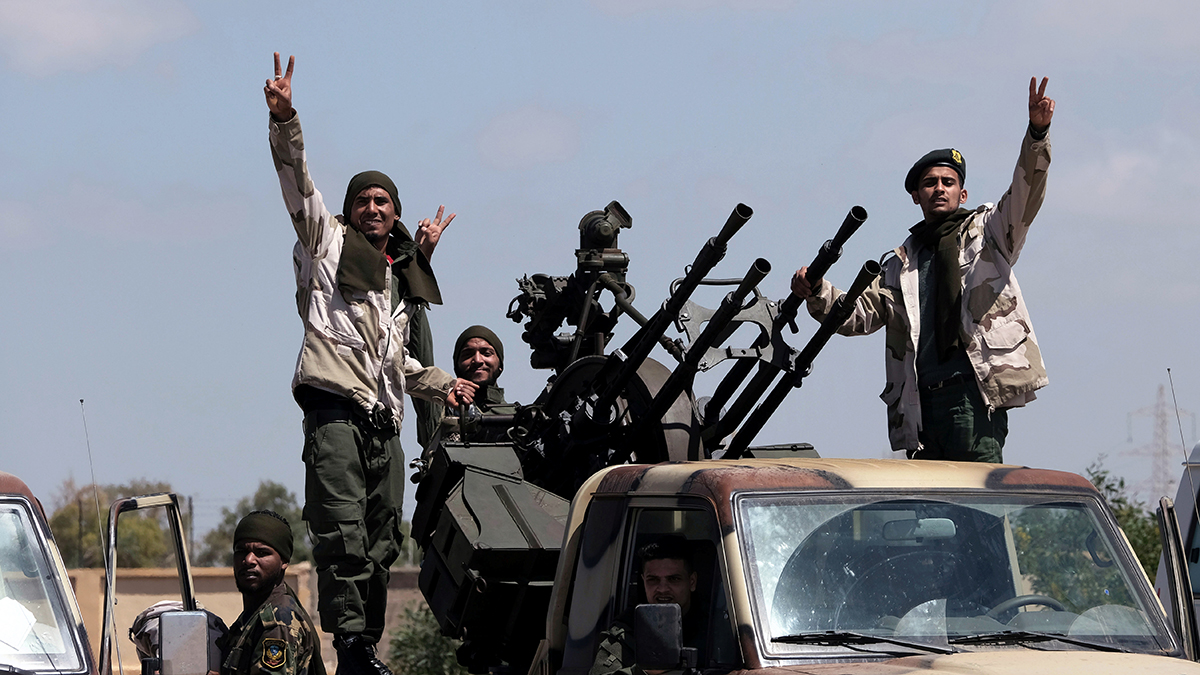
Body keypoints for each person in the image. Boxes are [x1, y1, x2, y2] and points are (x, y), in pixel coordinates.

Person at [263, 52, 478, 675]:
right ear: (352, 209)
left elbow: (400, 365)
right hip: (335, 412)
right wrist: (285, 120)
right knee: (342, 534)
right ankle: (350, 645)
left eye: (385, 201)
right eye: (366, 199)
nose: (375, 208)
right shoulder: (326, 244)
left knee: (384, 541)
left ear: (396, 214)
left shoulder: (394, 285)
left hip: (384, 424)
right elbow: (297, 182)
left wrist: (445, 383)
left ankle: (366, 647)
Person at [791, 77, 1056, 463]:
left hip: (974, 394)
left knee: (979, 506)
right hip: (921, 402)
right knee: (932, 511)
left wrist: (1037, 134)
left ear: (962, 193)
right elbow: (857, 314)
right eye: (929, 183)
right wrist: (815, 290)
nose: (939, 188)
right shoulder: (902, 262)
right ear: (916, 196)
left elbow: (1026, 192)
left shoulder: (989, 234)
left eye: (949, 182)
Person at [218, 511, 322, 675]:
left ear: (284, 561)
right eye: (241, 551)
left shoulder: (277, 621)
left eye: (262, 553)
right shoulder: (252, 617)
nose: (249, 560)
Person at [590, 536, 704, 675]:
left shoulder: (717, 627)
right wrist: (645, 672)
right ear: (643, 581)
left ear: (692, 582)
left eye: (674, 579)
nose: (662, 589)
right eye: (653, 580)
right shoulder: (627, 631)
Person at [445, 326, 518, 443]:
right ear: (457, 365)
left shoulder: (516, 418)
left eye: (487, 354)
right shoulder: (440, 411)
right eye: (468, 354)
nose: (478, 360)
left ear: (500, 365)